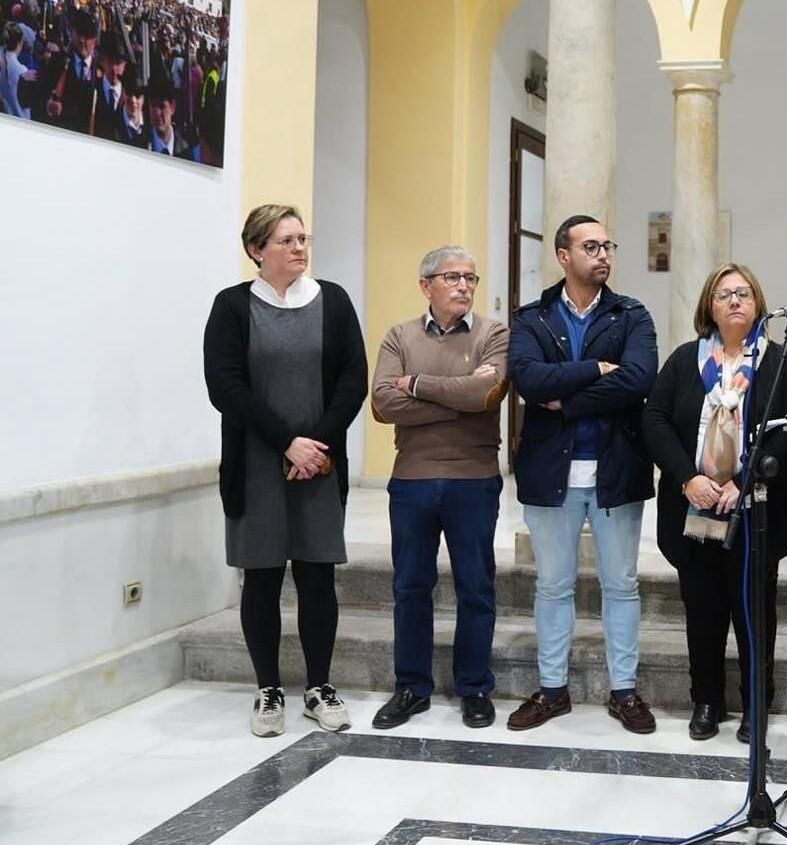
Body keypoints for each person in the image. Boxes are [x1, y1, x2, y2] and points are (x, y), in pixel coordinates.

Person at [202, 204, 368, 737]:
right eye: (286, 240)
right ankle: (268, 689)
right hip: (256, 463)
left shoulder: (333, 301)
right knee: (263, 577)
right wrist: (286, 443)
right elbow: (225, 386)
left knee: (317, 575)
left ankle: (319, 687)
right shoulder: (231, 307)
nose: (300, 248)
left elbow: (352, 379)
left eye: (303, 238)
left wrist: (315, 445)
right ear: (256, 250)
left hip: (318, 464)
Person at [642, 263, 787, 742]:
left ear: (758, 303)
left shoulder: (779, 362)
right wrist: (687, 478)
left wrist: (748, 479)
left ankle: (757, 702)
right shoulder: (684, 361)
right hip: (694, 507)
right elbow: (654, 420)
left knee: (755, 611)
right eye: (723, 294)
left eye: (743, 293)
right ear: (709, 307)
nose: (734, 301)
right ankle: (707, 700)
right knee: (703, 609)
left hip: (758, 507)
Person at [507, 215, 660, 734]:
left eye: (607, 246)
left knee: (621, 585)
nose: (603, 254)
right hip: (551, 470)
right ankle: (552, 690)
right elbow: (528, 380)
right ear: (564, 255)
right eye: (591, 246)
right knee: (553, 586)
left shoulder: (631, 315)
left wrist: (564, 403)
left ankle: (624, 692)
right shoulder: (533, 317)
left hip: (617, 466)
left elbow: (639, 380)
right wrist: (596, 370)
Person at [369, 246, 510, 731]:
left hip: (473, 480)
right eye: (453, 277)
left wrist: (418, 386)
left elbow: (486, 394)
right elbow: (383, 403)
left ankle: (474, 688)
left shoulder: (493, 333)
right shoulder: (399, 335)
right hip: (411, 480)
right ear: (425, 284)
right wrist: (460, 399)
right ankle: (411, 686)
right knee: (410, 586)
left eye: (471, 277)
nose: (464, 286)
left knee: (476, 587)